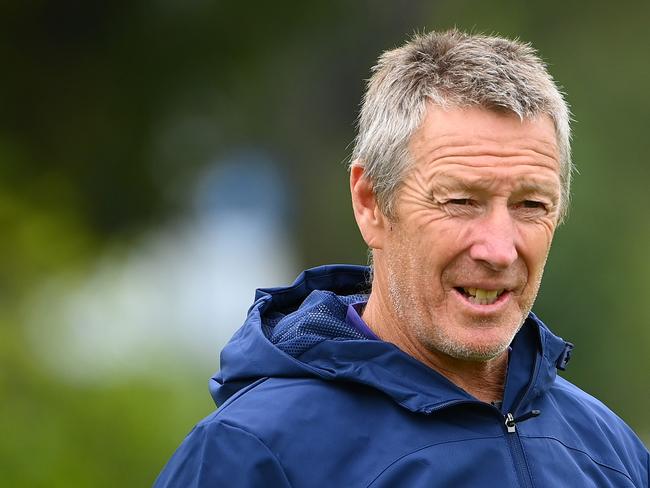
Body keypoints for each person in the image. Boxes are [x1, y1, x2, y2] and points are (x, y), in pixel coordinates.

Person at [154, 29, 649, 487]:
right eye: (460, 201)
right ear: (370, 203)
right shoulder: (250, 455)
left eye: (531, 205)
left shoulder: (611, 452)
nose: (499, 249)